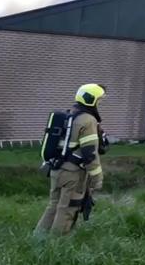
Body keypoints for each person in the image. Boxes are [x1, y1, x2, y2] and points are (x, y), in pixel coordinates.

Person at [33, 83, 106, 236]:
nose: (100, 103)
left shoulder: (70, 114)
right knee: (67, 208)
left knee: (53, 205)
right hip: (73, 174)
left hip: (56, 169)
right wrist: (97, 178)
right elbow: (90, 152)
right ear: (91, 100)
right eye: (99, 100)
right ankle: (57, 244)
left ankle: (38, 239)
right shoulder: (87, 120)